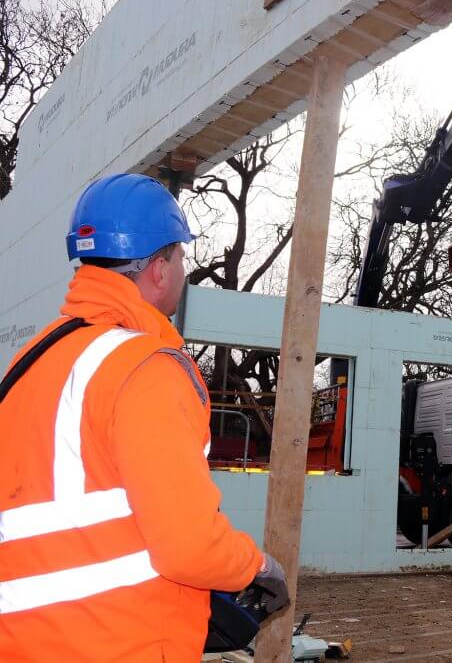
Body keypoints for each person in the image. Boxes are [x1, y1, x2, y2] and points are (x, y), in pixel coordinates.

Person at [0, 174, 287, 661]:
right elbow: (188, 544)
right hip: (116, 643)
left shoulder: (29, 362)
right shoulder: (145, 368)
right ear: (158, 269)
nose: (183, 271)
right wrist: (255, 567)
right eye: (180, 257)